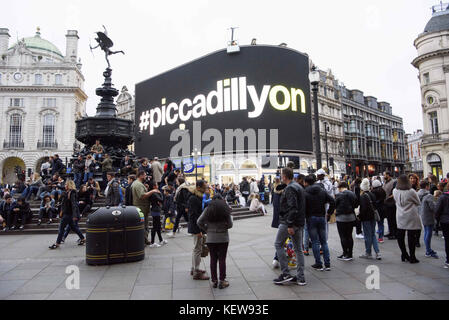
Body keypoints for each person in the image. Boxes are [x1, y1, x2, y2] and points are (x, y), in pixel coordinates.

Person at [273, 168, 306, 286]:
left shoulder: (291, 188)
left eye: (282, 175)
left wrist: (290, 224)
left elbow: (293, 207)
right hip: (299, 222)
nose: (281, 177)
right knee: (298, 249)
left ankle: (285, 273)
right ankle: (301, 277)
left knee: (278, 244)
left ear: (285, 176)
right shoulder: (298, 186)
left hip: (289, 222)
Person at [197, 194, 233, 289]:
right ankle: (222, 280)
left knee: (213, 259)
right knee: (222, 259)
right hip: (223, 238)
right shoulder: (225, 210)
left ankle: (214, 281)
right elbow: (230, 225)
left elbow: (199, 221)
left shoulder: (208, 209)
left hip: (211, 238)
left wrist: (207, 229)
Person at [304, 174, 336, 270]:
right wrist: (329, 213)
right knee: (324, 242)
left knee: (315, 242)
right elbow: (333, 201)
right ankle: (327, 263)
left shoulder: (305, 192)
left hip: (311, 218)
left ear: (307, 183)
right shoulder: (322, 191)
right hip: (321, 217)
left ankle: (318, 263)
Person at [393, 174, 422, 263]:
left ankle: (404, 254)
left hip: (400, 215)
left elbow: (395, 201)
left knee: (400, 235)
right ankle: (412, 256)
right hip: (410, 215)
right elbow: (418, 202)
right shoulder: (411, 191)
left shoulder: (395, 191)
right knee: (411, 236)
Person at [49, 180, 85, 249]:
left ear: (69, 185)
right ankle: (83, 238)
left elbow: (74, 205)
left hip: (68, 213)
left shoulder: (72, 193)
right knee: (74, 227)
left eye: (66, 184)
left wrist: (74, 215)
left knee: (61, 228)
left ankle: (57, 243)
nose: (65, 185)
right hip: (68, 213)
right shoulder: (67, 192)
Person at [188, 180, 210, 280]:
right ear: (198, 187)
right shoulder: (194, 198)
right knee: (198, 249)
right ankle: (196, 272)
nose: (206, 189)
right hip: (196, 228)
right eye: (205, 187)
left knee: (196, 248)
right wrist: (198, 231)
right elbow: (193, 216)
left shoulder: (199, 197)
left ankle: (194, 268)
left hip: (198, 227)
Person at [132, 171, 160, 245]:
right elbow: (142, 196)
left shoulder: (139, 184)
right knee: (143, 225)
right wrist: (152, 191)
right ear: (141, 176)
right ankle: (144, 241)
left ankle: (145, 240)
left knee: (144, 225)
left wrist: (146, 189)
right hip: (141, 208)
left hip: (143, 208)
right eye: (144, 175)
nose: (146, 177)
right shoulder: (138, 184)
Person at [358, 178, 381, 260]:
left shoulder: (363, 196)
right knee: (373, 234)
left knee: (367, 236)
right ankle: (377, 252)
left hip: (366, 218)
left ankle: (368, 253)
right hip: (373, 217)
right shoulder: (372, 194)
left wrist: (359, 216)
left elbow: (363, 209)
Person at [335, 182, 358, 261]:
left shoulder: (339, 195)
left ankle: (345, 253)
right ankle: (350, 253)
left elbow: (335, 204)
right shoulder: (352, 194)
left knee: (343, 236)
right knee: (349, 235)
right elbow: (356, 205)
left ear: (340, 187)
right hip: (351, 217)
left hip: (341, 218)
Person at [419, 181, 439, 259]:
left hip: (423, 215)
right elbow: (433, 207)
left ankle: (428, 249)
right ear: (427, 186)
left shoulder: (419, 194)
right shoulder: (429, 196)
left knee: (426, 233)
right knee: (428, 233)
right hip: (429, 216)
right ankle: (428, 250)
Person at [148, 181, 166, 247]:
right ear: (154, 186)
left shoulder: (153, 193)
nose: (157, 186)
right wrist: (160, 193)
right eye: (156, 185)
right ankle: (152, 242)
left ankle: (161, 240)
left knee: (158, 226)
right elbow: (161, 199)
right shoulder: (154, 193)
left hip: (156, 210)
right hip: (155, 211)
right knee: (155, 227)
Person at [271, 178, 284, 268]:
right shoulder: (283, 192)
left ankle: (276, 259)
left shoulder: (275, 192)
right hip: (286, 219)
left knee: (280, 242)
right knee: (281, 242)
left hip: (279, 219)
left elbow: (275, 206)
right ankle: (277, 259)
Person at [435, 188, 449, 268]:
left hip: (445, 221)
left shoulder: (443, 197)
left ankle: (448, 260)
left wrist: (437, 219)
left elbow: (437, 210)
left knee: (447, 241)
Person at [383, 172, 398, 240]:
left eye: (385, 175)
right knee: (389, 219)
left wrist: (389, 197)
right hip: (386, 203)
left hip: (391, 203)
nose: (384, 176)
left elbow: (394, 192)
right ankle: (390, 232)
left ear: (388, 175)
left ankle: (394, 233)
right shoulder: (385, 182)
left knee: (393, 219)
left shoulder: (393, 182)